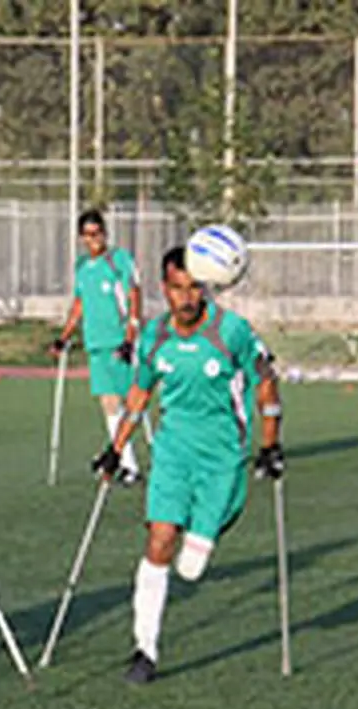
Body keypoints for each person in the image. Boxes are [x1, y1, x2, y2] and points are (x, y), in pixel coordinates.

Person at [92, 246, 285, 684]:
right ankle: (145, 649)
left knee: (192, 566)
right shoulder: (154, 337)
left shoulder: (231, 332)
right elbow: (139, 395)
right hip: (173, 452)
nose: (186, 297)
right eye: (177, 288)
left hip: (224, 458)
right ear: (165, 289)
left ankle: (206, 531)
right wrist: (115, 448)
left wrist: (270, 445)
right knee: (159, 540)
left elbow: (265, 386)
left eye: (195, 287)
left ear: (207, 287)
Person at [50, 209, 144, 486]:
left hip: (120, 342)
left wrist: (131, 335)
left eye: (98, 233)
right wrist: (64, 336)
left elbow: (133, 295)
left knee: (134, 401)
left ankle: (137, 457)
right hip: (96, 343)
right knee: (109, 404)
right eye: (88, 235)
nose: (94, 239)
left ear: (105, 232)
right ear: (81, 237)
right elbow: (79, 304)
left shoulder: (119, 261)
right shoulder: (81, 267)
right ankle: (127, 463)